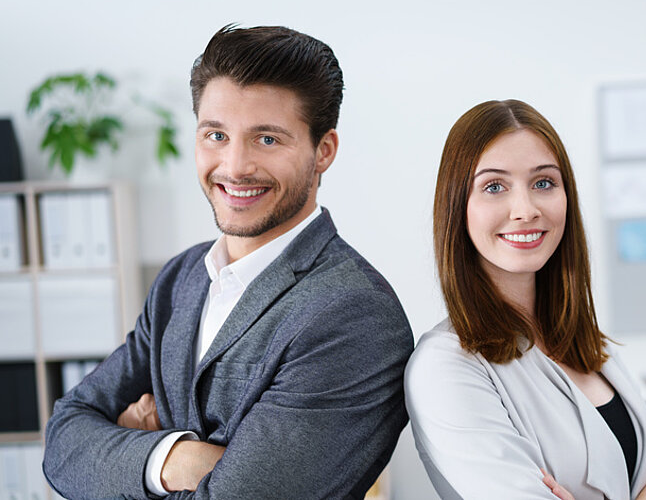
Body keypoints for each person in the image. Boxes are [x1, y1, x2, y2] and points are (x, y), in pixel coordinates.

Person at [43, 25, 413, 499]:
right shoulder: (181, 279)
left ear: (323, 151)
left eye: (267, 140)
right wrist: (175, 459)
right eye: (216, 134)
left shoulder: (355, 315)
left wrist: (126, 448)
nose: (235, 166)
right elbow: (63, 438)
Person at [405, 99, 646, 499]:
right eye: (494, 186)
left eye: (543, 183)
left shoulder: (592, 346)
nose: (525, 209)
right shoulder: (447, 367)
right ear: (457, 206)